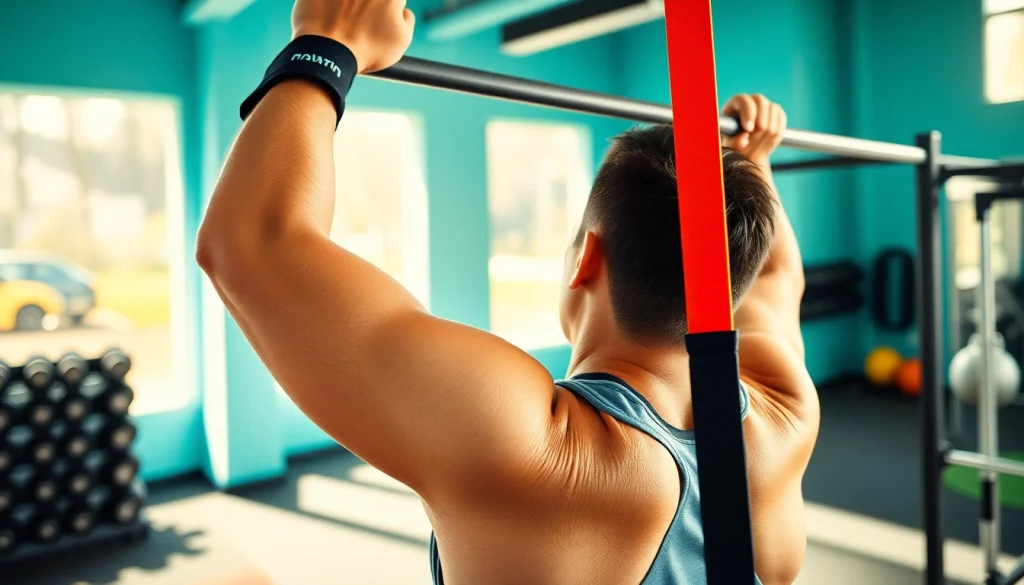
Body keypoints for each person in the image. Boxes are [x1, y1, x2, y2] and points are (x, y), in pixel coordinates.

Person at [196, 1, 820, 584]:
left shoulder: (531, 444)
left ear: (587, 258)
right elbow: (772, 279)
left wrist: (327, 42)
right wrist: (747, 164)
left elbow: (252, 245)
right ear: (730, 281)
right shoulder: (785, 408)